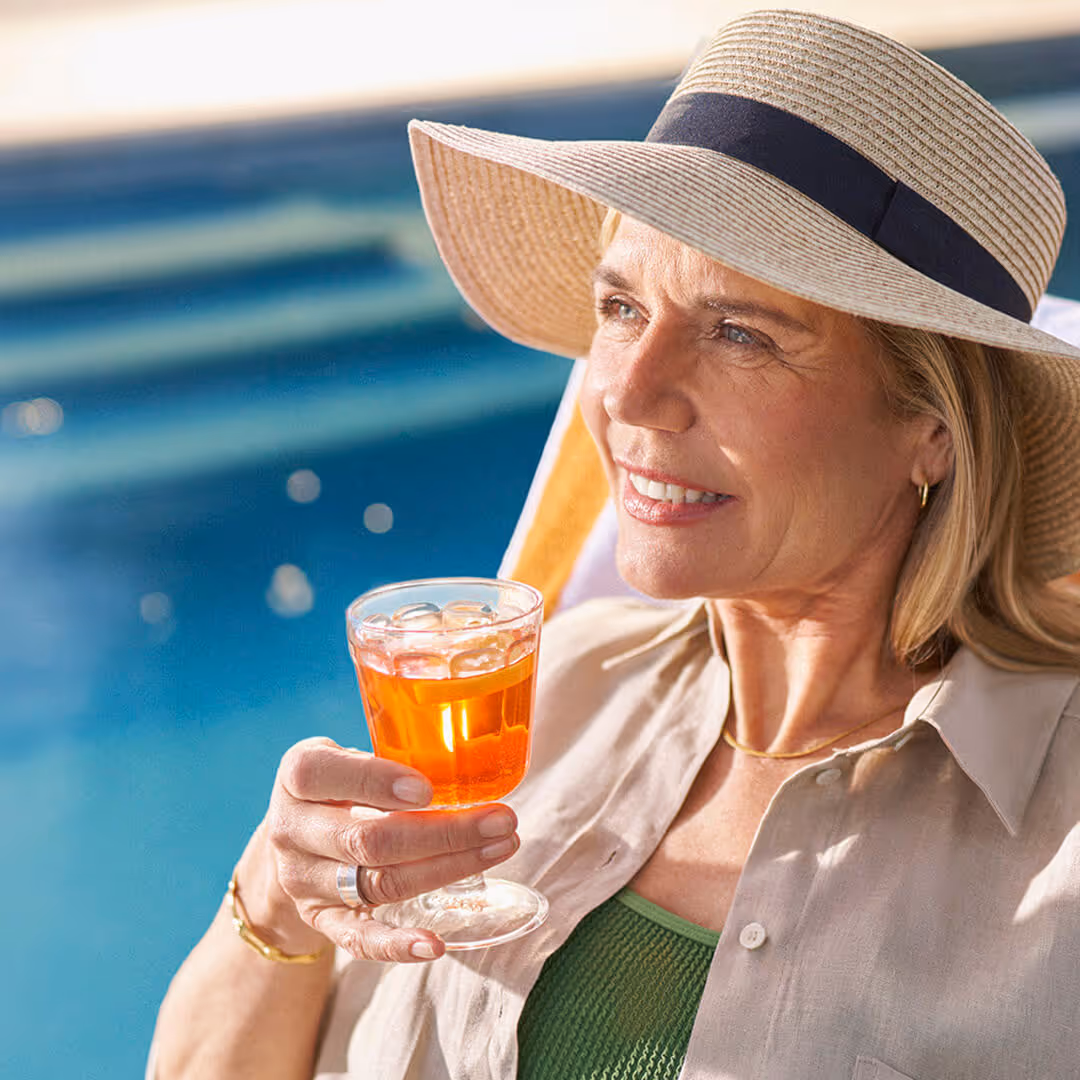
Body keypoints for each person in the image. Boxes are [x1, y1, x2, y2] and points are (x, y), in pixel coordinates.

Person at [149, 10, 1080, 1079]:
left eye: (740, 332)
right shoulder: (554, 690)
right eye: (621, 306)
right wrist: (278, 900)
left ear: (933, 427)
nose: (628, 393)